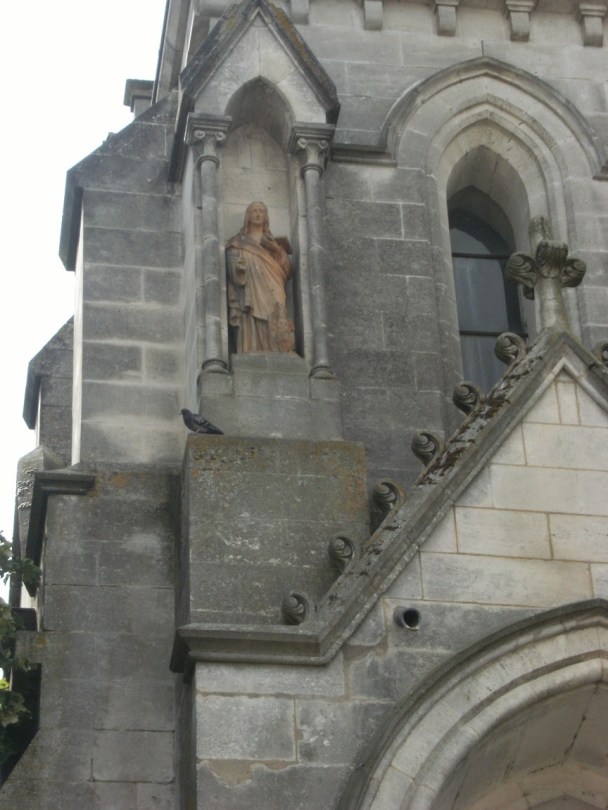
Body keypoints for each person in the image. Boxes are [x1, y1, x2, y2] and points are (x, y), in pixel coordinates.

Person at [226, 201, 295, 353]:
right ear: (248, 217)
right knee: (252, 315)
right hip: (251, 286)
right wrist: (238, 267)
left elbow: (287, 270)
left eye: (261, 211)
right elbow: (232, 262)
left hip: (273, 285)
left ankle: (277, 349)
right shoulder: (238, 242)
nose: (258, 214)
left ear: (266, 217)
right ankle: (252, 348)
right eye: (254, 211)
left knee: (275, 314)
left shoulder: (272, 242)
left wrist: (277, 249)